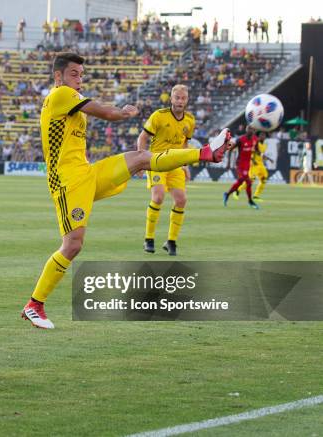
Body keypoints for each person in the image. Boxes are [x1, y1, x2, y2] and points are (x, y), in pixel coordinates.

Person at [20, 53, 232, 329]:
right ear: (58, 76)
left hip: (87, 173)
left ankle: (205, 153)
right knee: (73, 245)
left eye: (82, 75)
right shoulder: (59, 94)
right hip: (66, 182)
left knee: (142, 157)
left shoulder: (70, 100)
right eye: (74, 74)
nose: (79, 80)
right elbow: (108, 113)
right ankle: (34, 304)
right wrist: (123, 111)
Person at [139, 85, 195, 257]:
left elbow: (185, 144)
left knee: (181, 200)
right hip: (156, 162)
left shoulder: (190, 120)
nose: (179, 101)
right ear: (171, 99)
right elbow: (142, 137)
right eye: (176, 97)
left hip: (175, 164)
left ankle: (171, 241)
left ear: (186, 100)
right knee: (158, 196)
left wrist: (185, 165)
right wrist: (141, 160)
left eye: (182, 98)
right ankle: (149, 238)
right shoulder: (159, 116)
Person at [223, 126, 260, 209]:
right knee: (247, 182)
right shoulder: (240, 139)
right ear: (246, 130)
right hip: (240, 164)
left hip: (247, 164)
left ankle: (227, 194)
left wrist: (259, 154)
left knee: (241, 181)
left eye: (253, 129)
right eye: (250, 129)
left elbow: (257, 149)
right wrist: (228, 163)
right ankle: (250, 201)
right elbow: (230, 150)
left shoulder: (255, 139)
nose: (252, 131)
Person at [236, 132, 273, 200]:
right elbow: (251, 152)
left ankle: (256, 196)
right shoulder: (256, 143)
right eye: (261, 135)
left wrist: (269, 159)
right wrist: (253, 160)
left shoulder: (264, 145)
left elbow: (261, 154)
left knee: (264, 179)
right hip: (254, 164)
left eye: (264, 135)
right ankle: (238, 190)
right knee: (250, 180)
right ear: (259, 136)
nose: (263, 136)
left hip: (261, 164)